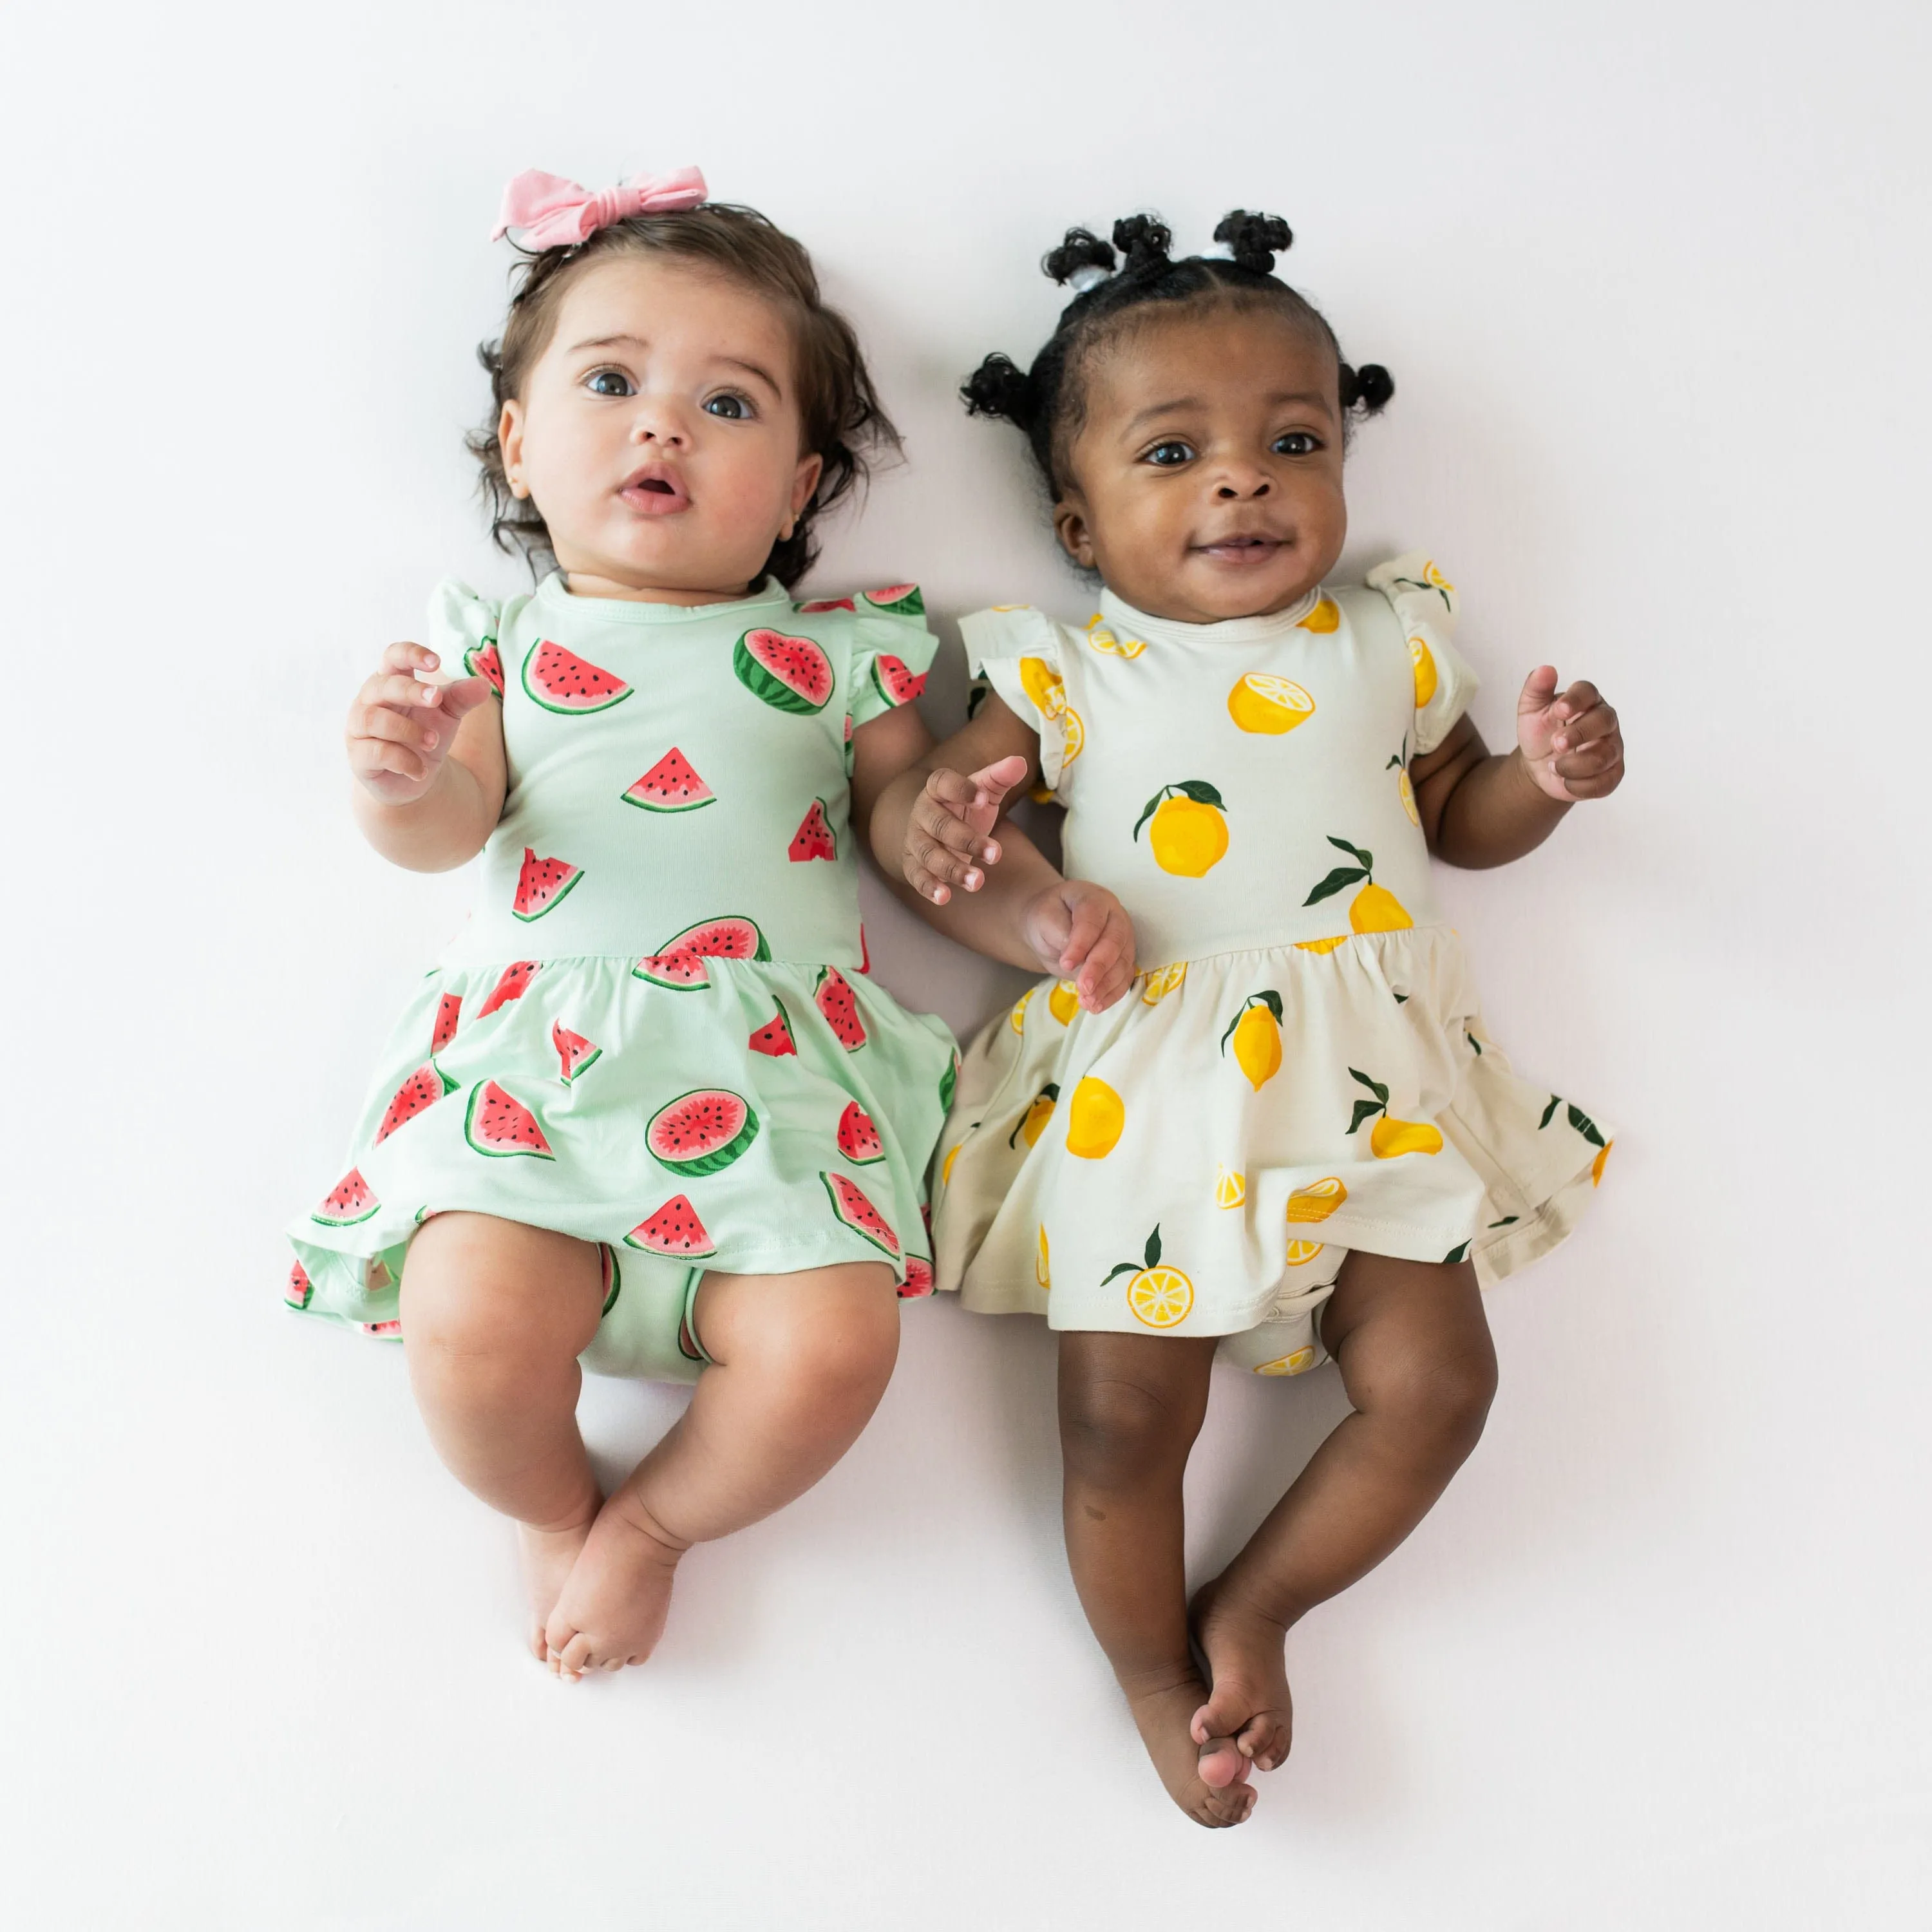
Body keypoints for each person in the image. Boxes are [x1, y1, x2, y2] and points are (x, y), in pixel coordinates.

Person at [875, 209, 1624, 1825]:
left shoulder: (1386, 635)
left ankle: (1264, 1605)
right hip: (1149, 1094)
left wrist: (1543, 784)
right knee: (1122, 1421)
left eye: (1294, 439)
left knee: (1440, 1390)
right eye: (1175, 451)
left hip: (1375, 1093)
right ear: (1079, 521)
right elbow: (960, 810)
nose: (1244, 479)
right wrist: (959, 835)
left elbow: (1456, 813)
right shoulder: (1071, 670)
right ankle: (1157, 1678)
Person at [289, 166, 956, 1679]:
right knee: (464, 1327)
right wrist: (398, 777)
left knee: (838, 1353)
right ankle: (551, 1507)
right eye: (613, 382)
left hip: (777, 1087)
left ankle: (652, 1528)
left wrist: (979, 863)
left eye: (729, 405)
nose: (664, 424)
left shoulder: (842, 656)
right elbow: (447, 827)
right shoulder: (503, 648)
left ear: (794, 493)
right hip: (548, 1074)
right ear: (522, 448)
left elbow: (912, 840)